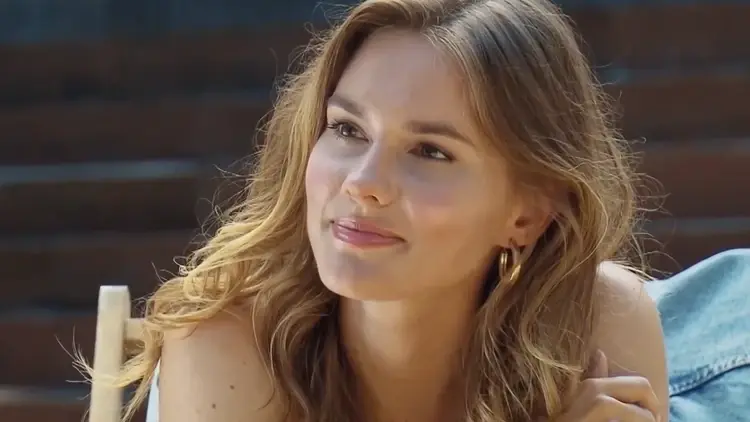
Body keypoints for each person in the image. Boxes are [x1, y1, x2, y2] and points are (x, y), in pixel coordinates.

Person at [107, 0, 673, 420]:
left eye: (430, 151)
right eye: (347, 129)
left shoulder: (599, 320)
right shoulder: (227, 338)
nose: (363, 183)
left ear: (526, 215)